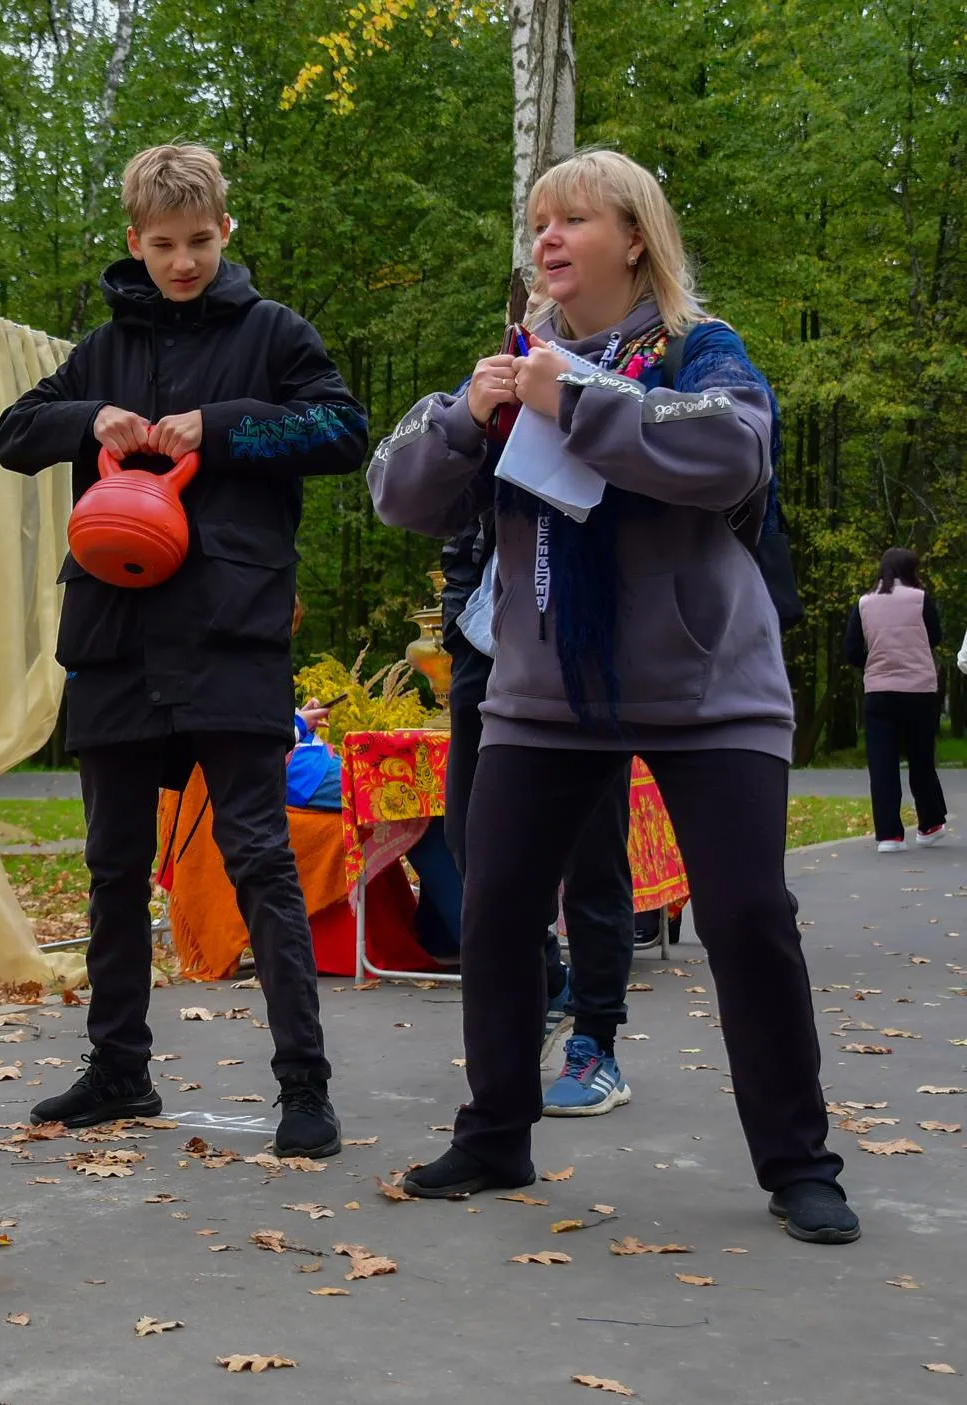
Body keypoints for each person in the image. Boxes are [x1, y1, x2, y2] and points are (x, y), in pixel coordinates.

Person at [368, 148, 858, 1244]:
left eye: (574, 219)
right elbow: (397, 493)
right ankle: (496, 1132)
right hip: (544, 692)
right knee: (497, 906)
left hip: (709, 690)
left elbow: (733, 452)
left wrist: (577, 397)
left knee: (747, 916)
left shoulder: (700, 349)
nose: (546, 239)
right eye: (539, 223)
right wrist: (468, 416)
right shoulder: (509, 367)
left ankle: (799, 1163)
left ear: (635, 237)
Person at [0, 142, 369, 1156]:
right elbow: (15, 432)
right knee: (114, 865)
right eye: (163, 245)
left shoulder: (272, 333)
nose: (184, 262)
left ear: (225, 231)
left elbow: (342, 431)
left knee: (259, 857)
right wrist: (93, 420)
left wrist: (223, 428)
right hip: (115, 637)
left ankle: (304, 1086)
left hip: (228, 633)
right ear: (135, 241)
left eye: (200, 241)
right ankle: (119, 1071)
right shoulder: (102, 349)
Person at [444, 489, 639, 1115]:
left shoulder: (610, 420)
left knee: (592, 855)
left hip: (590, 647)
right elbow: (459, 517)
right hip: (489, 648)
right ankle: (550, 984)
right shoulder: (500, 424)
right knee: (471, 846)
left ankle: (595, 1043)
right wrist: (458, 619)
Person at [844, 547, 947, 852]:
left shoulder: (863, 603)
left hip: (879, 692)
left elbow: (851, 650)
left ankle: (889, 835)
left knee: (882, 764)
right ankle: (929, 823)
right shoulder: (920, 599)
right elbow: (935, 637)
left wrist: (875, 662)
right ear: (911, 571)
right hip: (918, 691)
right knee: (921, 758)